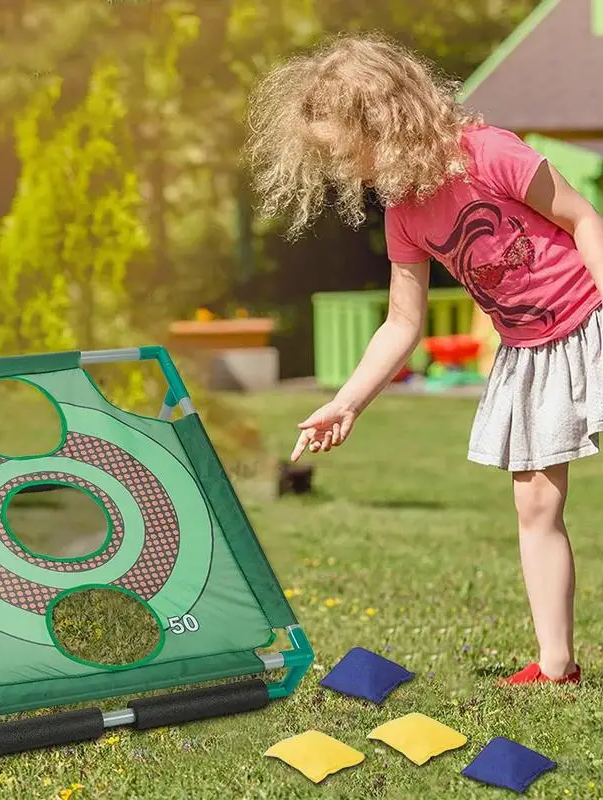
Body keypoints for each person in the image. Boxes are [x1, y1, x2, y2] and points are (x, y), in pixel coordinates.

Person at [246, 31, 603, 685]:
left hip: (593, 321)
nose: (347, 171)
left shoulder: (490, 153)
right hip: (530, 354)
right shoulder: (404, 215)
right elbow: (403, 321)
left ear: (386, 119)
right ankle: (557, 666)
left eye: (348, 152)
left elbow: (585, 220)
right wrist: (346, 399)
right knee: (534, 507)